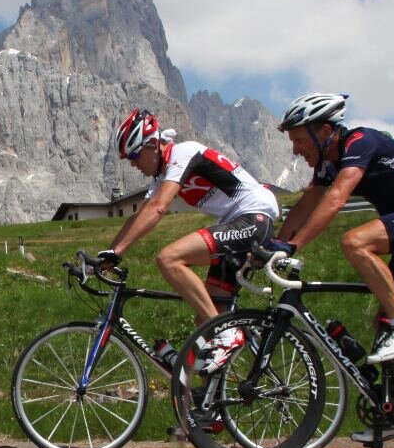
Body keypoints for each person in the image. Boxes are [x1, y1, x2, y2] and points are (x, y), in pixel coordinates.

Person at [271, 93, 394, 365]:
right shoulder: (328, 164)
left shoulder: (361, 141)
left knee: (355, 242)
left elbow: (336, 199)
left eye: (300, 140)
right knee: (384, 323)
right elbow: (305, 206)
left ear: (325, 131)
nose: (295, 150)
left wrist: (294, 245)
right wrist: (276, 247)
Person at [98, 108, 280, 372]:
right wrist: (107, 255)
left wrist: (119, 252)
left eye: (134, 155)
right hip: (236, 225)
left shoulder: (184, 153)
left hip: (253, 219)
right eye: (128, 160)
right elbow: (138, 217)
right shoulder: (162, 176)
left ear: (153, 144)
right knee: (204, 327)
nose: (133, 164)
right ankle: (201, 396)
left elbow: (158, 208)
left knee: (169, 259)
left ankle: (227, 333)